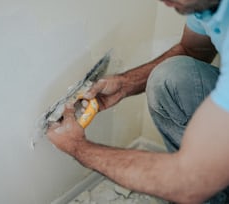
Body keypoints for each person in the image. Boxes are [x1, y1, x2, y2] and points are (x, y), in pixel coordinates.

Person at [47, 0, 229, 203]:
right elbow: (193, 50)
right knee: (170, 77)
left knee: (194, 183)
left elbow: (189, 182)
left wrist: (77, 147)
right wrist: (124, 85)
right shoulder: (206, 6)